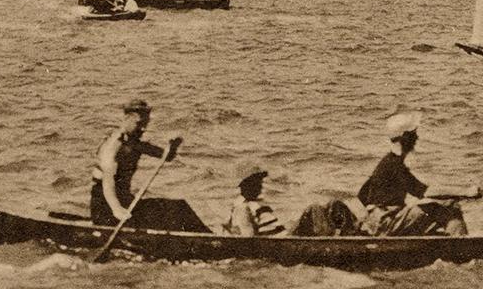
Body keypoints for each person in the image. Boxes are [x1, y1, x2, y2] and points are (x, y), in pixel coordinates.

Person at [356, 113, 479, 237]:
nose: (416, 138)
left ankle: (453, 240)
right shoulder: (393, 164)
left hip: (380, 223)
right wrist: (465, 192)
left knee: (437, 212)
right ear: (404, 137)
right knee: (450, 205)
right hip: (385, 224)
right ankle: (461, 246)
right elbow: (425, 192)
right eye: (413, 134)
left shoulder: (388, 162)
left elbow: (363, 195)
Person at [90, 99, 205, 231]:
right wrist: (116, 209)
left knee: (179, 207)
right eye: (139, 123)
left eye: (146, 124)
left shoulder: (134, 143)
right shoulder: (114, 145)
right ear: (126, 119)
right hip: (106, 208)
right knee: (171, 212)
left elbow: (166, 156)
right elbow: (108, 182)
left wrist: (173, 146)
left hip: (126, 202)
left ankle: (212, 239)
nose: (143, 128)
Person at [224, 164, 358, 237]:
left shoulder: (255, 203)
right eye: (255, 183)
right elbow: (248, 237)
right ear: (244, 186)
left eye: (260, 182)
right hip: (282, 240)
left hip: (285, 235)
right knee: (314, 209)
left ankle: (352, 233)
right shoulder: (242, 207)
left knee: (334, 204)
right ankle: (339, 238)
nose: (260, 186)